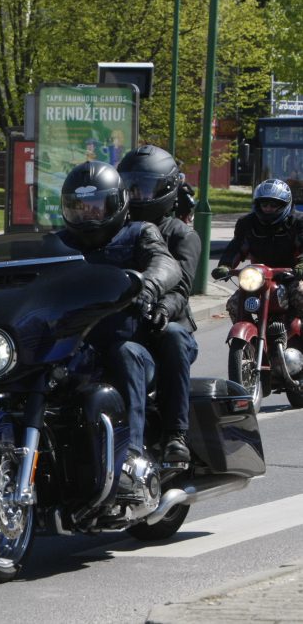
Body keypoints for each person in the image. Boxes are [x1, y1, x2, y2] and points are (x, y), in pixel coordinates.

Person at [56, 161, 180, 490]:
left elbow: (166, 264)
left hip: (128, 341)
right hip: (73, 343)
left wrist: (149, 287)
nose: (87, 215)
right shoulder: (58, 243)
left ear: (116, 204)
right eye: (78, 207)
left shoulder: (139, 233)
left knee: (125, 355)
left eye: (95, 207)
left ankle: (131, 458)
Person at [118, 145, 199, 465]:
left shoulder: (180, 234)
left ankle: (176, 434)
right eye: (130, 186)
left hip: (164, 322)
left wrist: (161, 308)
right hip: (122, 319)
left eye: (144, 187)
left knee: (175, 338)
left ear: (166, 189)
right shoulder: (115, 228)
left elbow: (181, 289)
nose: (136, 194)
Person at [211, 179, 303, 318]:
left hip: (292, 276)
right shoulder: (247, 223)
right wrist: (225, 265)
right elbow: (237, 246)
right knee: (234, 304)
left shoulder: (298, 222)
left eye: (273, 205)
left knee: (301, 294)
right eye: (264, 204)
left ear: (284, 205)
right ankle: (248, 334)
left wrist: (301, 266)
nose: (268, 208)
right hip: (258, 278)